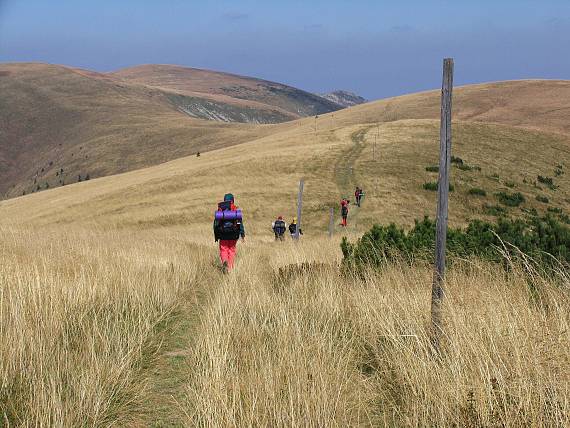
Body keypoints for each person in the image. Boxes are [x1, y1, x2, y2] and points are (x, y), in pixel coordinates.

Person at [213, 193, 245, 272]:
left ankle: (224, 262)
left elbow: (216, 224)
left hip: (223, 234)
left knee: (224, 249)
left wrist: (216, 236)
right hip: (234, 234)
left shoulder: (220, 210)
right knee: (232, 250)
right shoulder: (235, 210)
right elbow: (239, 223)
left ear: (224, 200)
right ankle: (230, 268)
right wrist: (242, 234)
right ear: (233, 200)